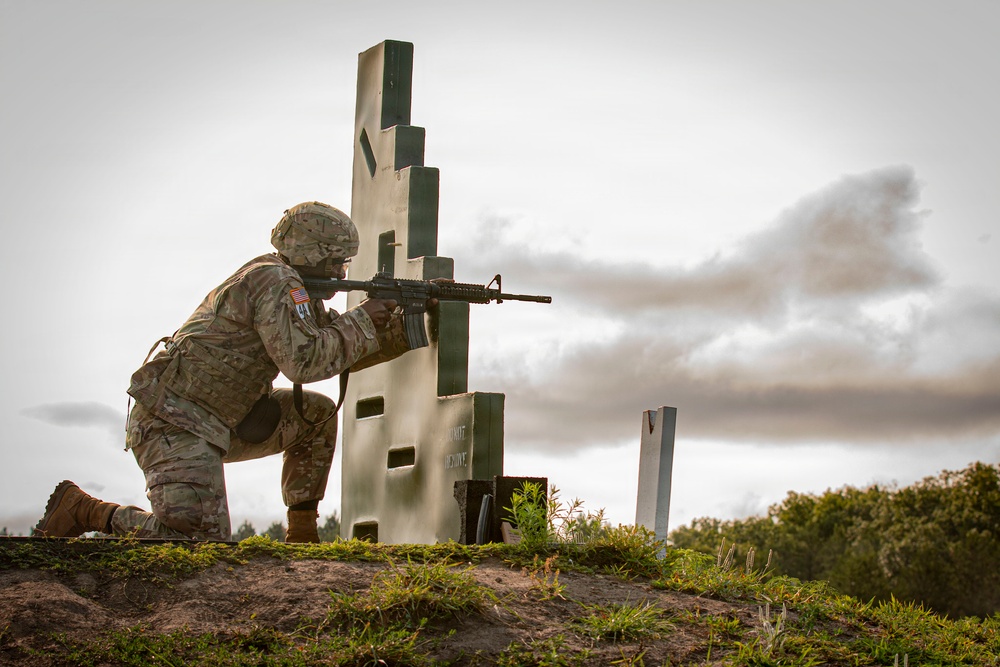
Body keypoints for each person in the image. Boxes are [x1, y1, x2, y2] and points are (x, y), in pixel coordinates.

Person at [34, 201, 417, 542]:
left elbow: (337, 349)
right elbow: (304, 362)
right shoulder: (275, 281)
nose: (339, 271)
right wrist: (362, 320)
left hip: (223, 418)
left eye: (343, 262)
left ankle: (302, 533)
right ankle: (85, 509)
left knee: (315, 415)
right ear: (308, 252)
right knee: (197, 542)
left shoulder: (294, 289)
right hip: (175, 422)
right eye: (334, 260)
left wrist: (405, 325)